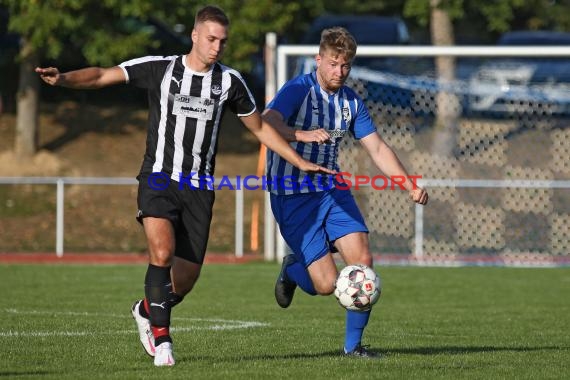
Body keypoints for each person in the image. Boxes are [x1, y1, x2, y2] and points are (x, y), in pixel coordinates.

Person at [36, 5, 332, 367]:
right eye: (211, 39)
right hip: (158, 178)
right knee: (161, 253)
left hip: (199, 188)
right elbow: (101, 76)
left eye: (223, 41)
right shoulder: (161, 69)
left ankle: (145, 310)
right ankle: (163, 343)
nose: (217, 47)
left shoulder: (230, 82)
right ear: (194, 35)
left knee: (185, 279)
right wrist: (62, 78)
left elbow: (260, 129)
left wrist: (299, 160)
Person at [262, 26, 428, 358]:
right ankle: (293, 270)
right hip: (292, 194)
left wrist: (408, 183)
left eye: (346, 65)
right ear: (318, 59)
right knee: (325, 285)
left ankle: (354, 348)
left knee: (363, 263)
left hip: (331, 189)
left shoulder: (351, 101)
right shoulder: (299, 90)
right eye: (334, 63)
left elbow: (377, 148)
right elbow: (266, 122)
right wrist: (302, 135)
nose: (340, 72)